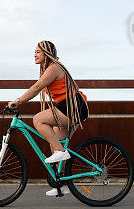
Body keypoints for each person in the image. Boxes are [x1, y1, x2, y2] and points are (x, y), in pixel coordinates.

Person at [8, 40, 88, 196]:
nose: (35, 54)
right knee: (56, 144)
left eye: (38, 51)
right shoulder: (48, 70)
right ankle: (62, 185)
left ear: (47, 53)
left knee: (38, 120)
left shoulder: (54, 67)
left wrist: (18, 101)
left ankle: (60, 152)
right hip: (66, 106)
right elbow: (40, 88)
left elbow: (37, 87)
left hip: (73, 106)